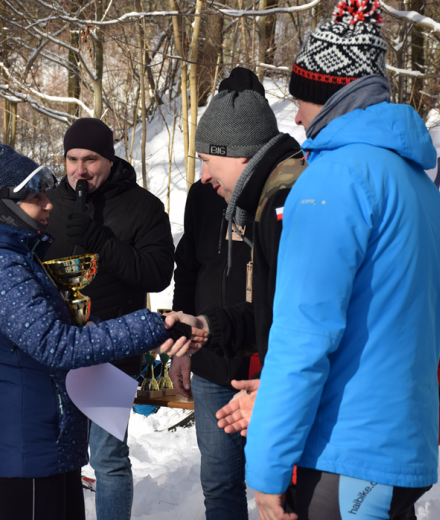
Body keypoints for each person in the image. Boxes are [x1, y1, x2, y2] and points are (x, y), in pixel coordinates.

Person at [214, 2, 440, 518]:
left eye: (300, 99)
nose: (295, 116)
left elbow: (305, 332)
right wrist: (276, 392)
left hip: (348, 453)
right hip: (399, 448)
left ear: (328, 97)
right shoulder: (415, 183)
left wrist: (267, 470)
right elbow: (382, 326)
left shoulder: (333, 181)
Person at [0, 139, 175, 520]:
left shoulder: (15, 256)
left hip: (50, 441)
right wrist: (151, 325)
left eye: (45, 193)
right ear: (4, 205)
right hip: (26, 447)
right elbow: (56, 346)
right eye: (35, 197)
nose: (48, 204)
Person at [168, 67, 302, 519]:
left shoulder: (282, 204)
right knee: (220, 480)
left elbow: (301, 315)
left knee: (278, 488)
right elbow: (186, 267)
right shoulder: (205, 193)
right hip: (214, 358)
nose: (205, 173)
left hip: (266, 366)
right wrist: (191, 337)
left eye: (210, 159)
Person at [43, 118, 174, 520]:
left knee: (107, 458)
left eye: (91, 160)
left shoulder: (143, 206)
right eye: (72, 159)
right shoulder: (47, 202)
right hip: (53, 347)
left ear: (110, 159)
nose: (79, 170)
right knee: (54, 454)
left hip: (112, 351)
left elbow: (157, 273)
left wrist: (101, 242)